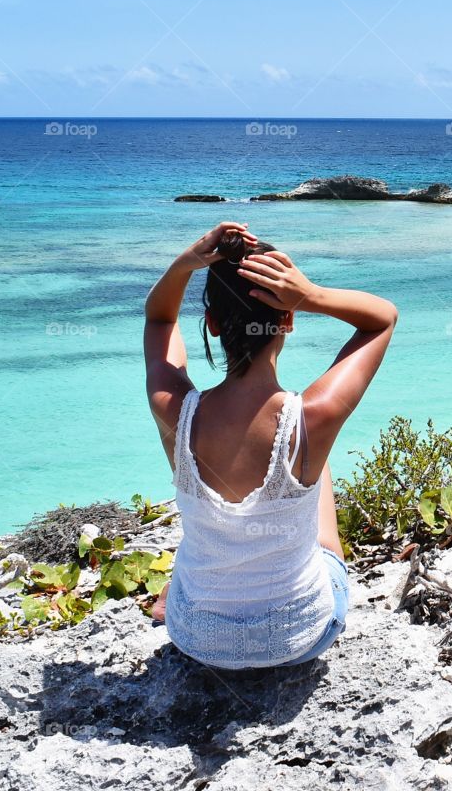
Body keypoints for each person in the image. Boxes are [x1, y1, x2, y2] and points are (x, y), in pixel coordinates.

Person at [143, 221, 397, 669]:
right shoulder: (313, 416)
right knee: (318, 484)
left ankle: (183, 594)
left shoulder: (174, 410)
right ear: (288, 320)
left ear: (213, 324)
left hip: (197, 638)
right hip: (297, 638)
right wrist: (311, 294)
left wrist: (186, 263)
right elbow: (382, 319)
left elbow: (159, 319)